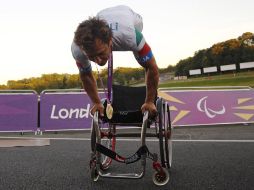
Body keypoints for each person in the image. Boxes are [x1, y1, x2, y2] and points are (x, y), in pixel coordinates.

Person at [71, 5, 159, 117]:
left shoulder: (131, 36)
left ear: (110, 42)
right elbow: (86, 75)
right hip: (102, 13)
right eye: (91, 57)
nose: (98, 61)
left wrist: (149, 102)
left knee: (143, 54)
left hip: (128, 15)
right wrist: (97, 103)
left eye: (100, 53)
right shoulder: (77, 49)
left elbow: (151, 67)